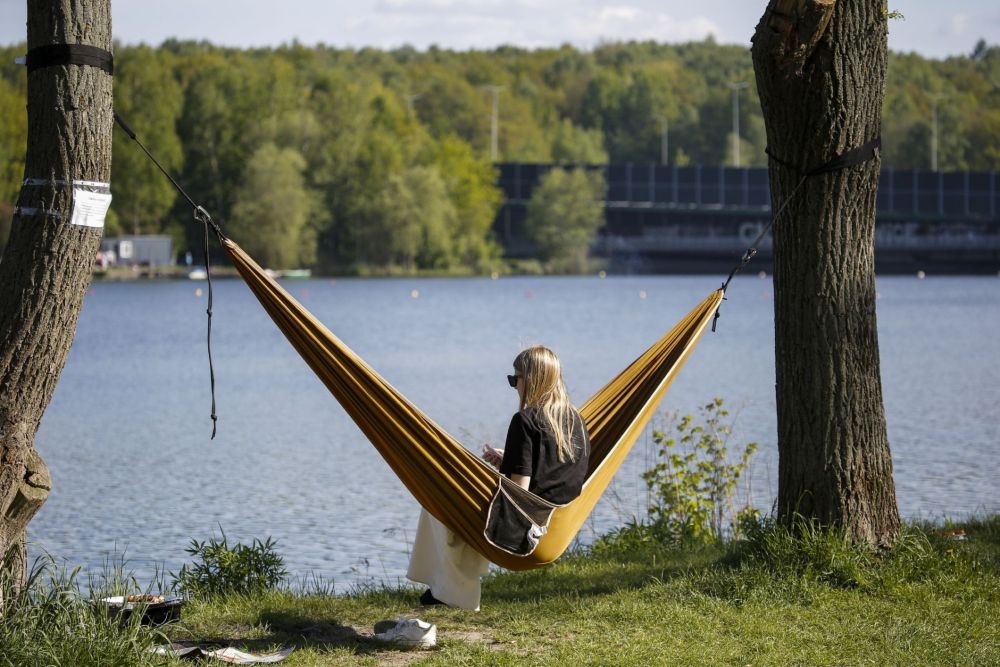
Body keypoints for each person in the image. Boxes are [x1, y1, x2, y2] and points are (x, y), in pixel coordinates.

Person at [406, 345, 591, 610]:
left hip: (525, 534)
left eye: (515, 379)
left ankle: (451, 591)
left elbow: (519, 494)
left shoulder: (525, 421)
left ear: (533, 379)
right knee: (456, 504)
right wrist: (512, 460)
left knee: (438, 498)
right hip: (557, 530)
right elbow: (557, 472)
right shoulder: (577, 421)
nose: (514, 386)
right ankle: (447, 589)